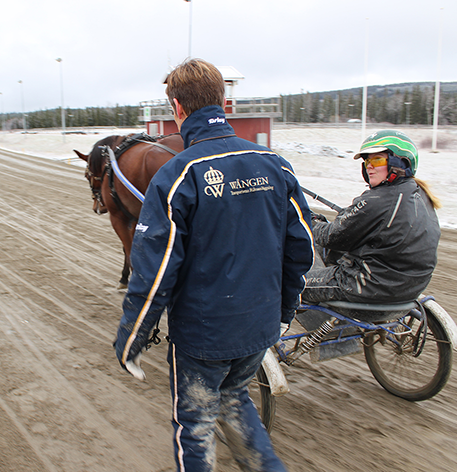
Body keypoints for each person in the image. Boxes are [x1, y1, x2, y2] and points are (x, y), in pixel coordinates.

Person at [114, 58, 314, 472]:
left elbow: (154, 272)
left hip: (203, 337)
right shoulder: (275, 165)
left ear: (177, 108)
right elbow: (301, 249)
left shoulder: (176, 175)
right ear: (222, 102)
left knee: (196, 424)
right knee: (235, 401)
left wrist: (132, 339)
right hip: (258, 327)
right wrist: (283, 313)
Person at [301, 129, 441, 305]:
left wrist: (306, 221)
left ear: (399, 163)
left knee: (289, 283)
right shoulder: (420, 194)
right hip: (409, 287)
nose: (369, 165)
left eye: (378, 159)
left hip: (367, 286)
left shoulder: (378, 200)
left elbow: (331, 237)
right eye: (367, 160)